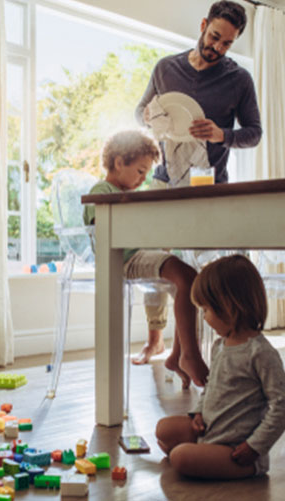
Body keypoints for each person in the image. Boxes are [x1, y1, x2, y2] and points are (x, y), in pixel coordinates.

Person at [83, 130, 209, 388]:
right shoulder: (102, 190)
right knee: (186, 276)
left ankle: (177, 355)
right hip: (125, 259)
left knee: (190, 284)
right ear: (119, 163)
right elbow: (107, 230)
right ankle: (189, 355)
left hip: (143, 254)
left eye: (146, 173)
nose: (143, 179)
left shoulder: (128, 192)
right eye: (140, 171)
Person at [155, 255, 285, 479]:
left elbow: (284, 405)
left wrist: (254, 447)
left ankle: (199, 456)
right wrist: (198, 412)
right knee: (163, 429)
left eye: (206, 310)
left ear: (230, 307)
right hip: (210, 431)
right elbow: (211, 387)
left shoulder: (260, 353)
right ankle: (199, 452)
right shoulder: (220, 346)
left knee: (180, 457)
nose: (204, 318)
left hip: (236, 451)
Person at [135, 0, 262, 186]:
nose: (218, 47)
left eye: (227, 43)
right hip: (164, 182)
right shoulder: (165, 68)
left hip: (209, 184)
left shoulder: (239, 79)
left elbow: (255, 133)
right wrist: (146, 117)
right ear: (203, 25)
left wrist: (222, 136)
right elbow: (139, 113)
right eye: (214, 37)